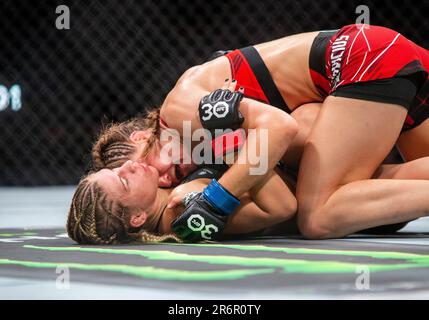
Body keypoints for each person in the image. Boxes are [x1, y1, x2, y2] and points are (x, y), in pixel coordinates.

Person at [91, 24, 429, 240]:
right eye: (166, 181)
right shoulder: (204, 148)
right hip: (374, 58)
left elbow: (280, 127)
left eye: (149, 164)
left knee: (319, 216)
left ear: (140, 138)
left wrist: (215, 201)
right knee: (395, 176)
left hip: (360, 60)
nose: (166, 177)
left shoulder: (178, 111)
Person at [67, 160, 297, 244]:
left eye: (117, 169)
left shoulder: (169, 188)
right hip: (304, 186)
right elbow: (281, 206)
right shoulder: (185, 215)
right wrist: (233, 141)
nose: (128, 166)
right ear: (137, 217)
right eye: (124, 182)